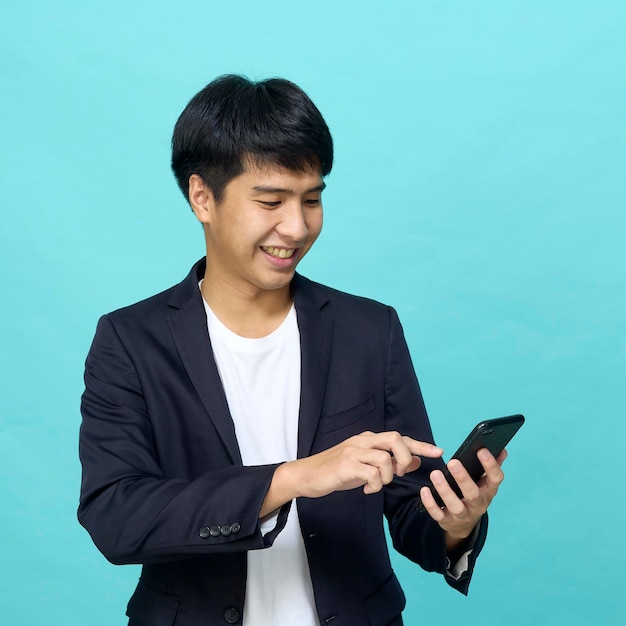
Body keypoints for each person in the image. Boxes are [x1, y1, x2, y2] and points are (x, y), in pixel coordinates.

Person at [78, 75, 507, 626]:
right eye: (271, 201)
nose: (297, 226)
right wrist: (294, 478)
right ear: (202, 197)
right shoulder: (130, 341)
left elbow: (409, 515)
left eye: (312, 199)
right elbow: (118, 518)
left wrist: (455, 523)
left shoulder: (370, 330)